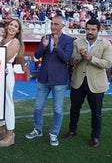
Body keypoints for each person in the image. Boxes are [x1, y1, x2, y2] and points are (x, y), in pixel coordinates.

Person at [25, 15, 74, 146]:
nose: (53, 26)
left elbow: (66, 59)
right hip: (43, 79)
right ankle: (38, 129)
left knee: (58, 109)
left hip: (59, 80)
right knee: (37, 107)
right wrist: (44, 46)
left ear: (63, 26)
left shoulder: (69, 40)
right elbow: (36, 55)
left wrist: (57, 47)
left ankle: (54, 133)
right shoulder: (45, 38)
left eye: (56, 24)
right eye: (52, 24)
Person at [65, 18, 112, 147]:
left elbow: (108, 64)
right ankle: (72, 130)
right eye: (88, 29)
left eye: (93, 29)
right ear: (85, 29)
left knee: (96, 112)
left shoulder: (106, 44)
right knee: (74, 108)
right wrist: (80, 56)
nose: (90, 32)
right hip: (78, 82)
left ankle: (95, 136)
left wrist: (91, 58)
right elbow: (71, 61)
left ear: (99, 30)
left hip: (97, 84)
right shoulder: (77, 42)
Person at [0, 19, 25, 147]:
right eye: (11, 24)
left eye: (15, 26)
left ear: (18, 30)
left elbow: (4, 57)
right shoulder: (2, 38)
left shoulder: (15, 42)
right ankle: (0, 128)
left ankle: (10, 133)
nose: (12, 27)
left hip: (6, 70)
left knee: (7, 101)